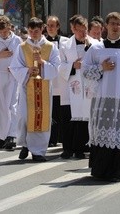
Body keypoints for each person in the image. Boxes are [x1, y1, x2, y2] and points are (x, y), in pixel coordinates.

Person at [82, 12, 120, 181]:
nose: (115, 27)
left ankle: (119, 171)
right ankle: (101, 170)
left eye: (118, 24)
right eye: (112, 23)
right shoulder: (96, 49)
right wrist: (101, 68)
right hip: (101, 100)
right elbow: (85, 71)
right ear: (106, 26)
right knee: (102, 135)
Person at [10, 17, 61, 162]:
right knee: (25, 117)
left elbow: (57, 67)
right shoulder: (22, 47)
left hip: (44, 88)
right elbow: (14, 67)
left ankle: (38, 151)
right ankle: (26, 144)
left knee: (41, 118)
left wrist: (41, 62)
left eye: (36, 31)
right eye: (30, 31)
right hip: (27, 87)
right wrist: (27, 71)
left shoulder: (50, 47)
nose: (33, 34)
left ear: (42, 29)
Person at [58, 15, 98, 159]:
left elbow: (99, 62)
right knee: (70, 118)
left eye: (85, 30)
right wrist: (72, 66)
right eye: (80, 31)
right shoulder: (65, 46)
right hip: (71, 87)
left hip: (88, 86)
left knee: (86, 117)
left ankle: (83, 148)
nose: (83, 34)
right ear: (73, 29)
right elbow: (59, 65)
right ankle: (68, 149)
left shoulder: (94, 44)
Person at [0, 15, 22, 150]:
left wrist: (14, 67)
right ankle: (2, 136)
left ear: (9, 27)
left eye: (5, 31)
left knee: (12, 106)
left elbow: (21, 57)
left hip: (12, 76)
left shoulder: (17, 40)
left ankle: (11, 135)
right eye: (1, 32)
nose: (3, 34)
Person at [44, 15, 69, 147]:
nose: (50, 28)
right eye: (48, 25)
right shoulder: (42, 42)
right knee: (50, 111)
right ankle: (51, 138)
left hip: (63, 80)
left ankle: (62, 137)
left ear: (58, 27)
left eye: (53, 25)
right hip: (49, 81)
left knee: (62, 110)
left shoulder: (65, 42)